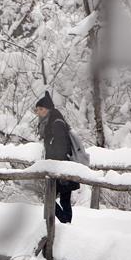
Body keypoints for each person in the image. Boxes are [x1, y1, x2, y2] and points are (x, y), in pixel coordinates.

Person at [36, 91, 78, 223]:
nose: (38, 112)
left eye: (41, 109)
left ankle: (64, 223)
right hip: (61, 167)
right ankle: (66, 224)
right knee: (64, 200)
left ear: (48, 109)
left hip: (61, 167)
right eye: (37, 109)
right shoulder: (51, 121)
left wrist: (56, 167)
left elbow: (61, 146)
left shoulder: (56, 123)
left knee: (50, 198)